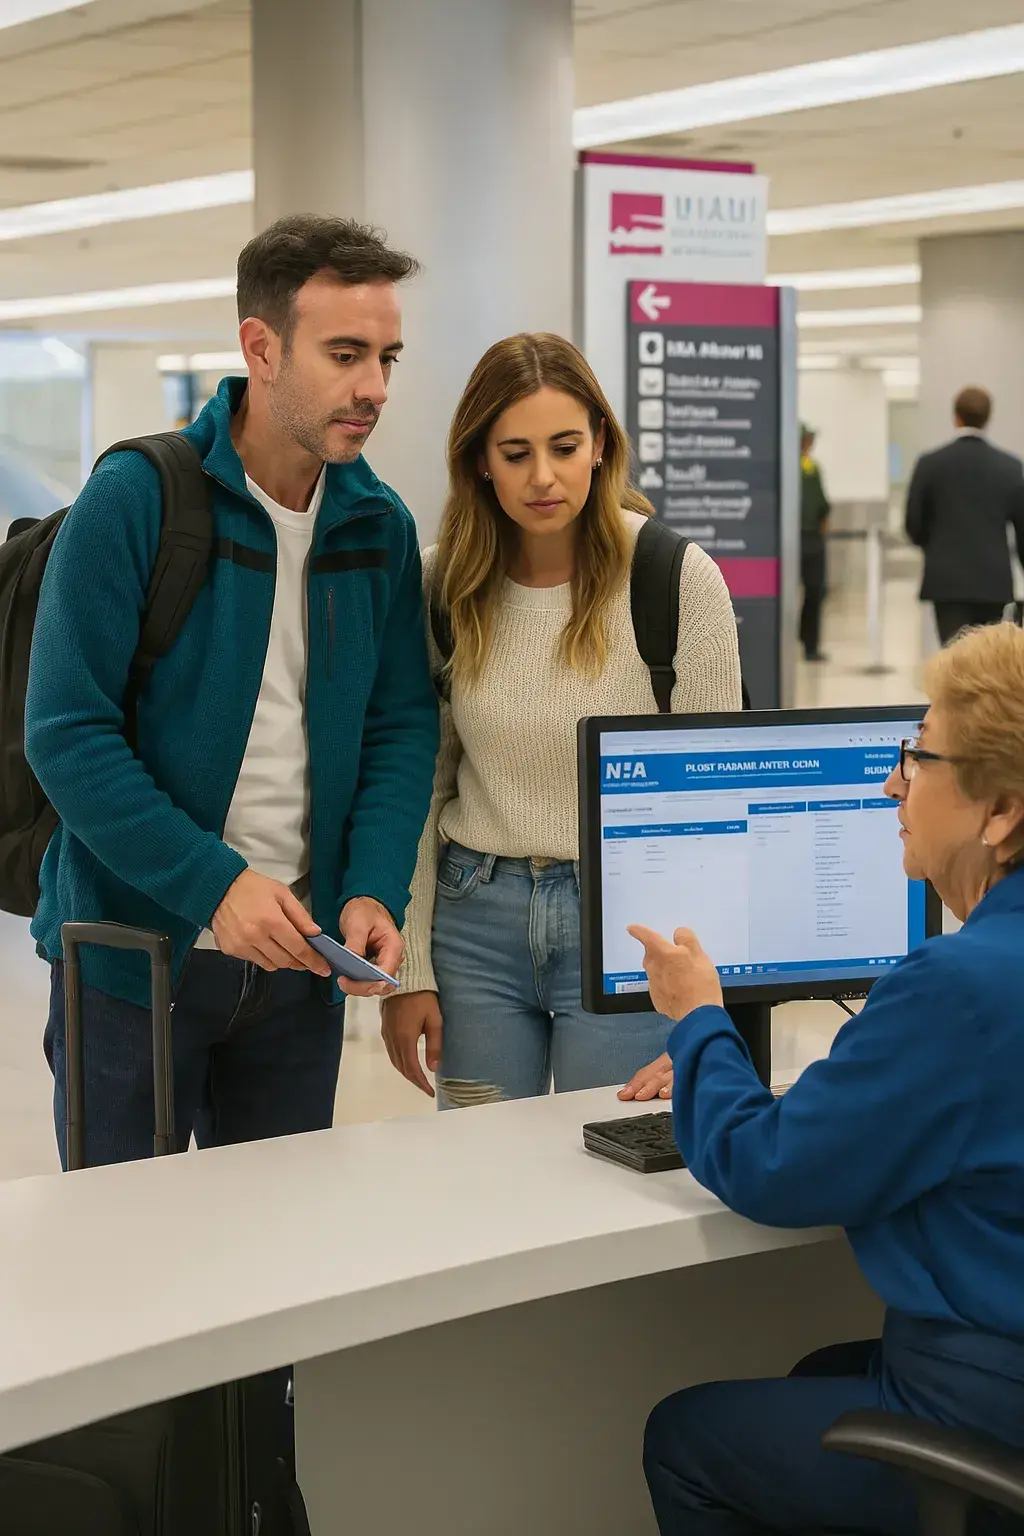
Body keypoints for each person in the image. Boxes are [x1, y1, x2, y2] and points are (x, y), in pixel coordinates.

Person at [25, 215, 439, 1168]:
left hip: (299, 969)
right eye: (344, 354)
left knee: (278, 1259)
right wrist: (216, 887)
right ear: (261, 347)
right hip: (132, 964)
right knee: (130, 1259)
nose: (372, 388)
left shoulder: (377, 525)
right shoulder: (137, 499)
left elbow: (400, 725)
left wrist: (374, 879)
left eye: (386, 358)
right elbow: (67, 734)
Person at [626, 620, 1024, 1536]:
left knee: (684, 1438)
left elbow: (766, 1168)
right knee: (816, 1375)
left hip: (986, 1407)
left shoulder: (958, 988)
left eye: (916, 759)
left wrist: (696, 1020)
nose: (893, 783)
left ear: (999, 811)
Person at [380, 333, 742, 1108]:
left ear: (601, 445)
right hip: (474, 923)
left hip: (627, 926)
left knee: (609, 1163)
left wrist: (712, 1011)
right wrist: (408, 972)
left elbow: (716, 809)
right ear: (479, 459)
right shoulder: (443, 585)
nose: (542, 477)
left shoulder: (676, 579)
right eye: (514, 453)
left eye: (565, 447)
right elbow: (417, 783)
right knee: (479, 1175)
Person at [906, 386, 1024, 647]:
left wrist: (936, 547)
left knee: (953, 661)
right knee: (988, 663)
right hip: (993, 582)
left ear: (956, 417)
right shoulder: (1010, 467)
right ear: (988, 418)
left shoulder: (930, 464)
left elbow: (913, 522)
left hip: (946, 582)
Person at [798, 423, 830, 662]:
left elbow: (822, 507)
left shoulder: (812, 469)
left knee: (816, 590)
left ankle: (810, 643)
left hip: (812, 540)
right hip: (792, 540)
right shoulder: (790, 470)